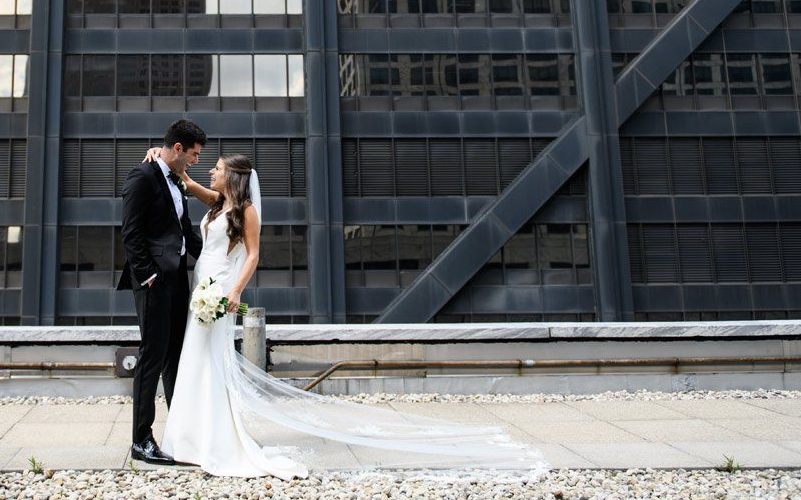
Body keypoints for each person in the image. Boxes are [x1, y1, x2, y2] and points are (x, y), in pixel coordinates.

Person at [142, 146, 545, 480]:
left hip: (220, 295)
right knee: (193, 362)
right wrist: (164, 161)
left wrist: (235, 292)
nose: (210, 172)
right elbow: (191, 185)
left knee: (211, 364)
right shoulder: (218, 204)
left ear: (233, 177)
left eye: (216, 169)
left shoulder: (245, 211)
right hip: (201, 291)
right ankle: (187, 439)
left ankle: (214, 441)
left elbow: (254, 255)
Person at [116, 119, 206, 465]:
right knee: (152, 357)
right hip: (154, 281)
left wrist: (211, 260)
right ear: (178, 148)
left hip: (178, 279)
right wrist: (148, 275)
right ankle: (141, 440)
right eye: (194, 155)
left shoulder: (177, 182)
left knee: (174, 356)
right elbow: (131, 232)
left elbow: (183, 230)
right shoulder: (142, 176)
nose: (196, 161)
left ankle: (178, 431)